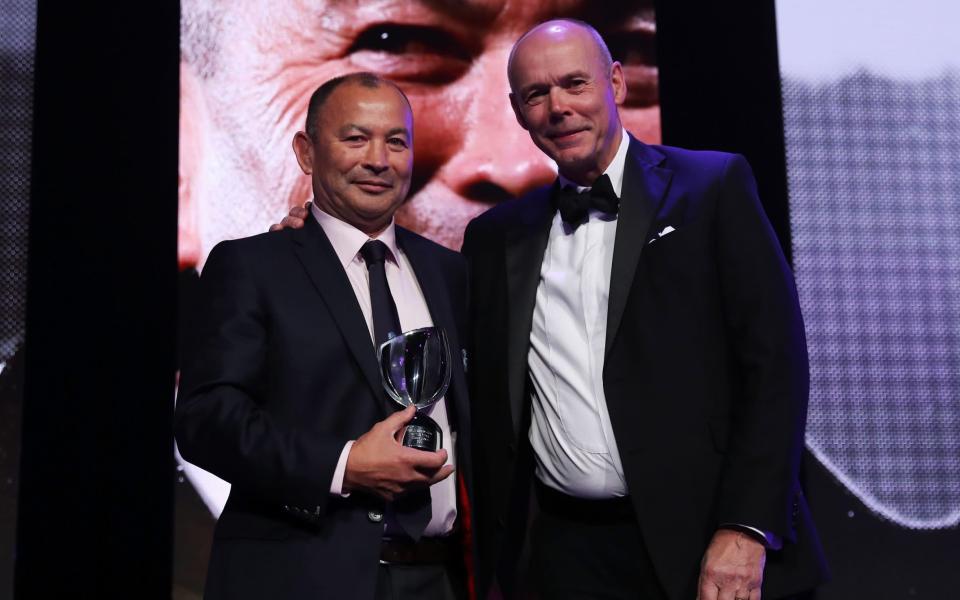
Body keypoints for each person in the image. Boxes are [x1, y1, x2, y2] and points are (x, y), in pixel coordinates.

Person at [459, 19, 829, 600]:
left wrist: (746, 527)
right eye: (536, 94)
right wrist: (314, 232)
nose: (558, 107)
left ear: (616, 83)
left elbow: (776, 368)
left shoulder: (711, 187)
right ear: (517, 109)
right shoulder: (496, 236)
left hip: (707, 539)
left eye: (575, 84)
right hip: (566, 555)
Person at [175, 73, 473, 600]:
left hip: (437, 578)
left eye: (396, 141)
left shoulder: (449, 272)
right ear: (307, 152)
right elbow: (206, 419)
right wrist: (343, 465)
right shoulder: (253, 265)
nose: (378, 159)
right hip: (300, 578)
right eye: (355, 138)